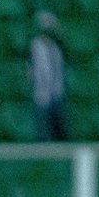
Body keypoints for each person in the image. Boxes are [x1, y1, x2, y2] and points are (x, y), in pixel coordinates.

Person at [29, 10, 68, 142]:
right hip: (41, 94)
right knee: (43, 131)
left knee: (59, 130)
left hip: (56, 93)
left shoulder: (56, 48)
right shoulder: (35, 46)